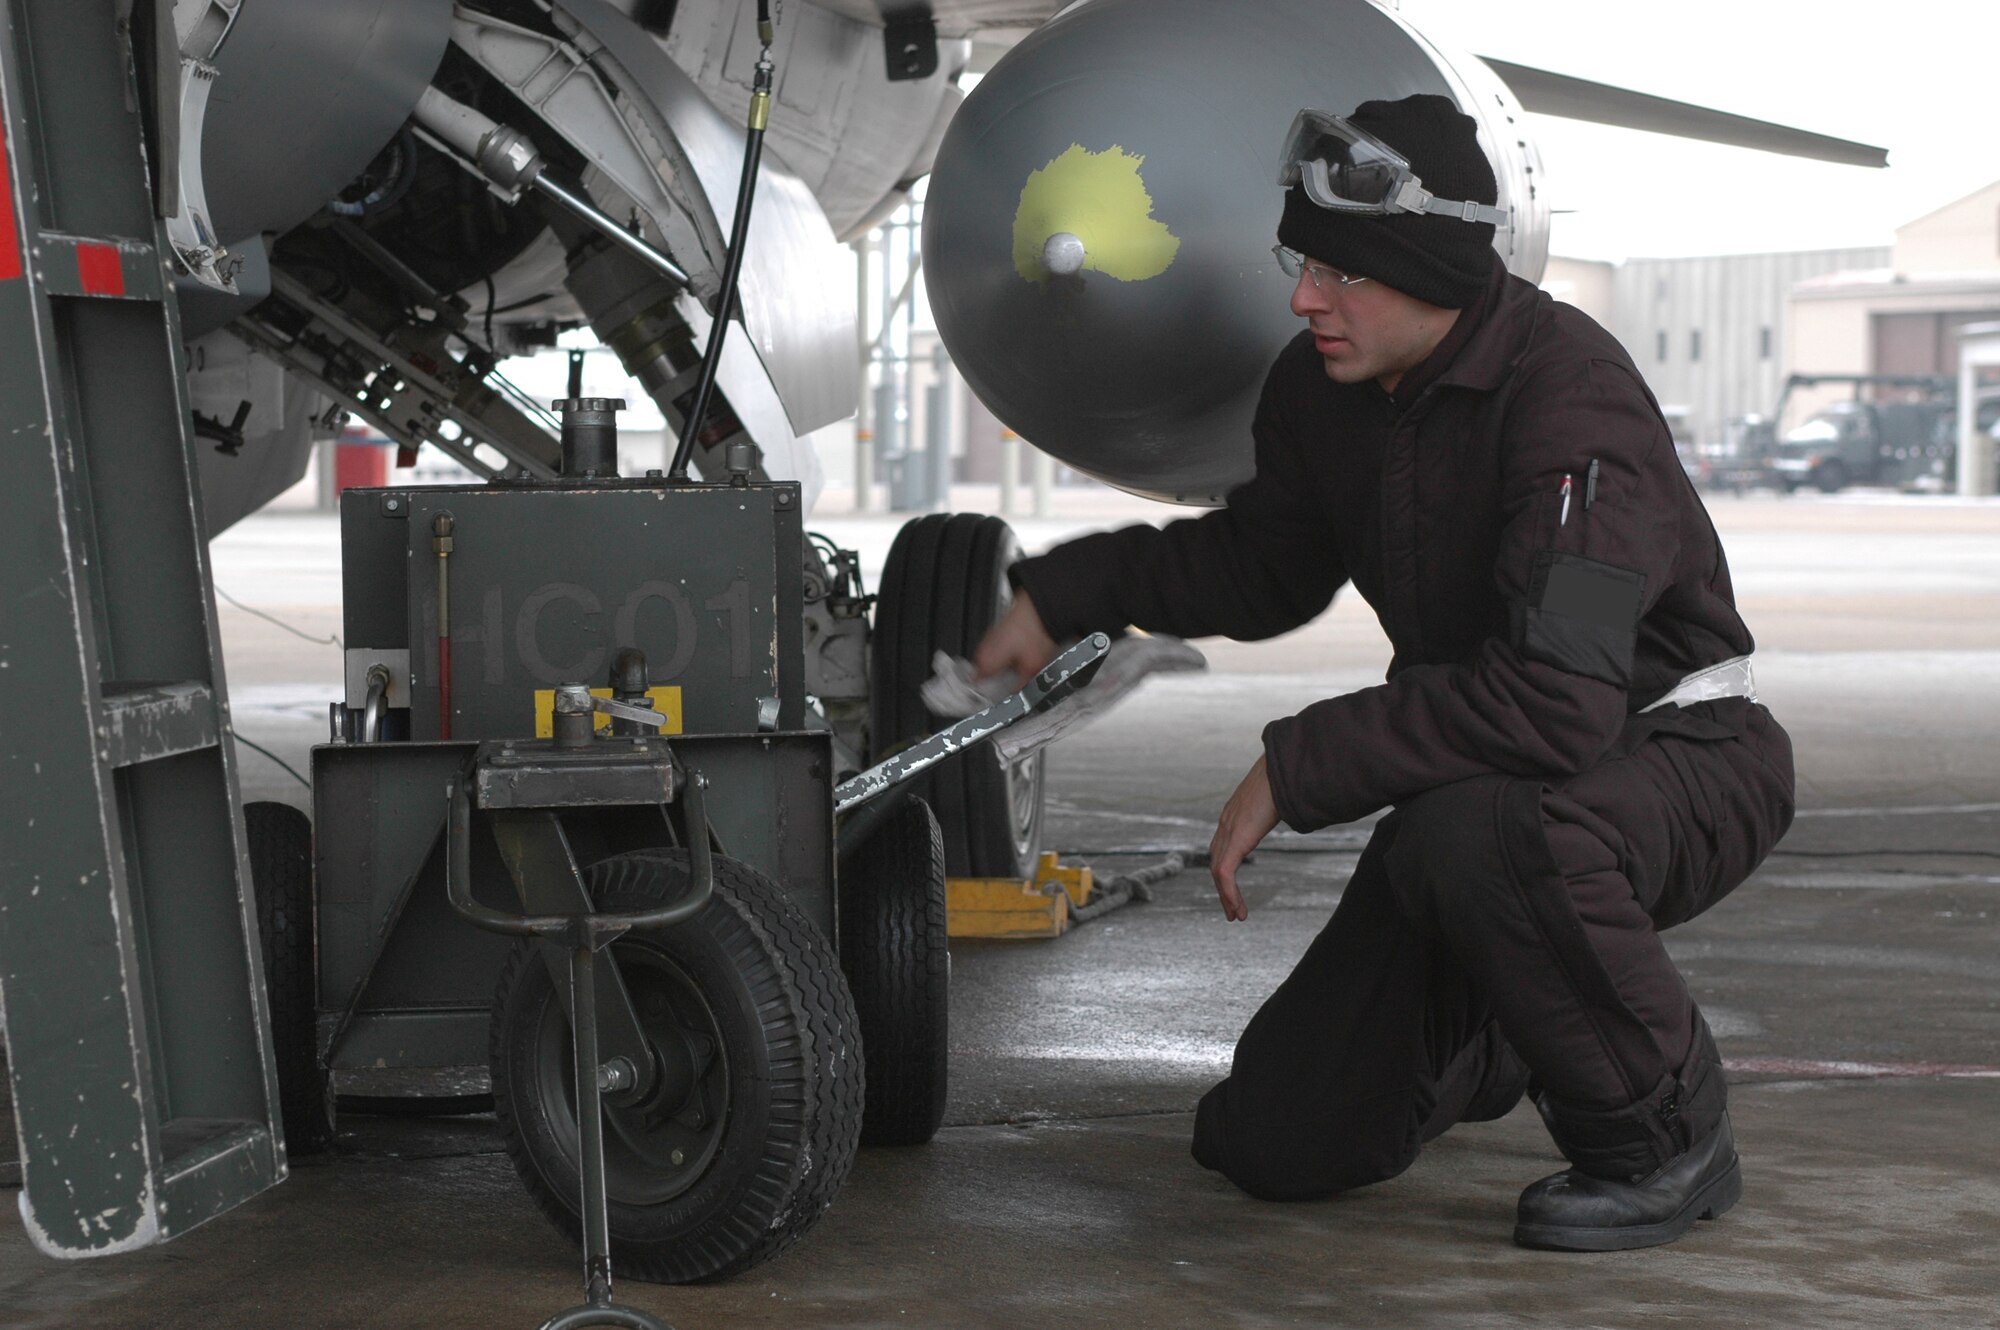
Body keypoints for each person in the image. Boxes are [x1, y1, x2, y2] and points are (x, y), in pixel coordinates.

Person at [973, 93, 1795, 1251]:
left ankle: (1664, 1137)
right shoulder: (1326, 391)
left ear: (1433, 270)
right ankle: (1514, 1010)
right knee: (1271, 1141)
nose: (1307, 297)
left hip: (1672, 754)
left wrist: (1294, 763)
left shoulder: (1575, 407)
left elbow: (1561, 702)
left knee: (1487, 837)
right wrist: (1063, 593)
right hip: (1483, 770)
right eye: (1301, 263)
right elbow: (1262, 569)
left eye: (1343, 273)